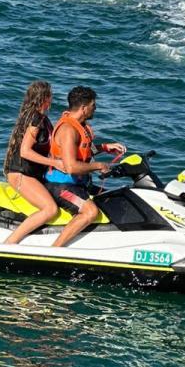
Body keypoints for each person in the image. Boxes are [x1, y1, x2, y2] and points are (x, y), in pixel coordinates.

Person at [45, 86, 125, 248]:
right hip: (61, 187)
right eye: (93, 105)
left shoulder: (78, 126)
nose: (95, 108)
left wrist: (104, 147)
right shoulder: (68, 130)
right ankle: (55, 250)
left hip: (77, 184)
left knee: (115, 197)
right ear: (83, 108)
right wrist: (98, 166)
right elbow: (71, 167)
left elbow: (81, 152)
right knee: (91, 212)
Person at [3, 80, 63, 244]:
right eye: (50, 95)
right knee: (50, 209)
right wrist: (55, 163)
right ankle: (9, 244)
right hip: (21, 174)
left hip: (32, 175)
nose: (52, 99)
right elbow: (25, 151)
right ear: (45, 98)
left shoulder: (40, 118)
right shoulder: (36, 119)